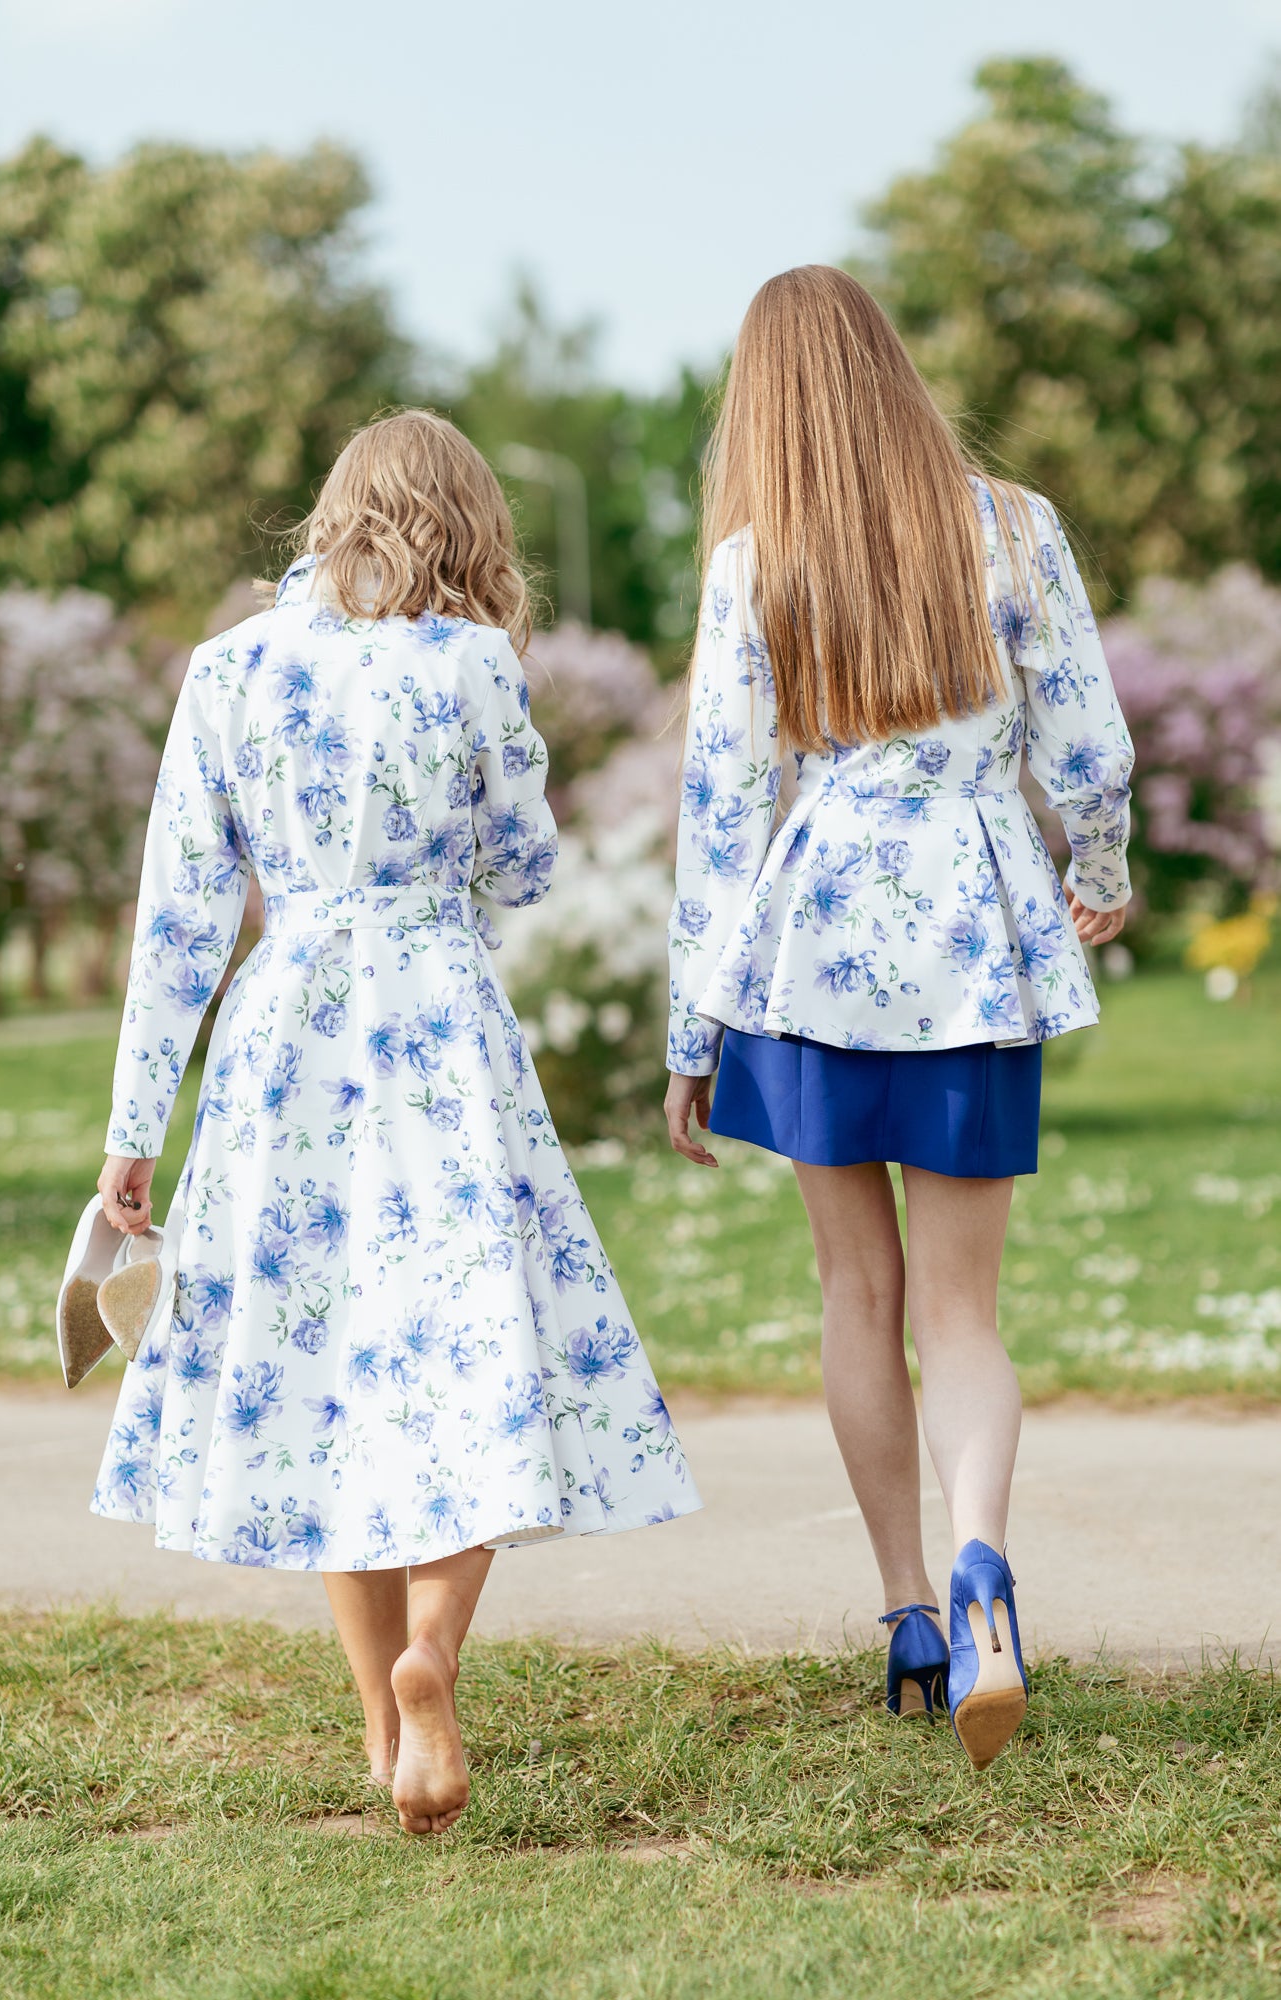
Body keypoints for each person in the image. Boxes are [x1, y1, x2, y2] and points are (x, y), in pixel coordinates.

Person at [94, 410, 701, 1834]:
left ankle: (384, 1735)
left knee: (323, 1372)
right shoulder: (474, 663)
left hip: (282, 1025)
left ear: (333, 514)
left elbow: (180, 911)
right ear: (469, 525)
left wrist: (135, 1126)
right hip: (433, 1020)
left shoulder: (229, 670)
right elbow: (524, 862)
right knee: (468, 1348)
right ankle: (433, 1657)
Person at [664, 267, 1132, 1771]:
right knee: (962, 1311)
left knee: (853, 1299)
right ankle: (986, 1560)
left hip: (811, 951)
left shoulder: (756, 561)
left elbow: (721, 809)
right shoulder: (1012, 524)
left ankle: (909, 1615)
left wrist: (693, 1030)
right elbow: (1088, 735)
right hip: (973, 935)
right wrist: (1101, 863)